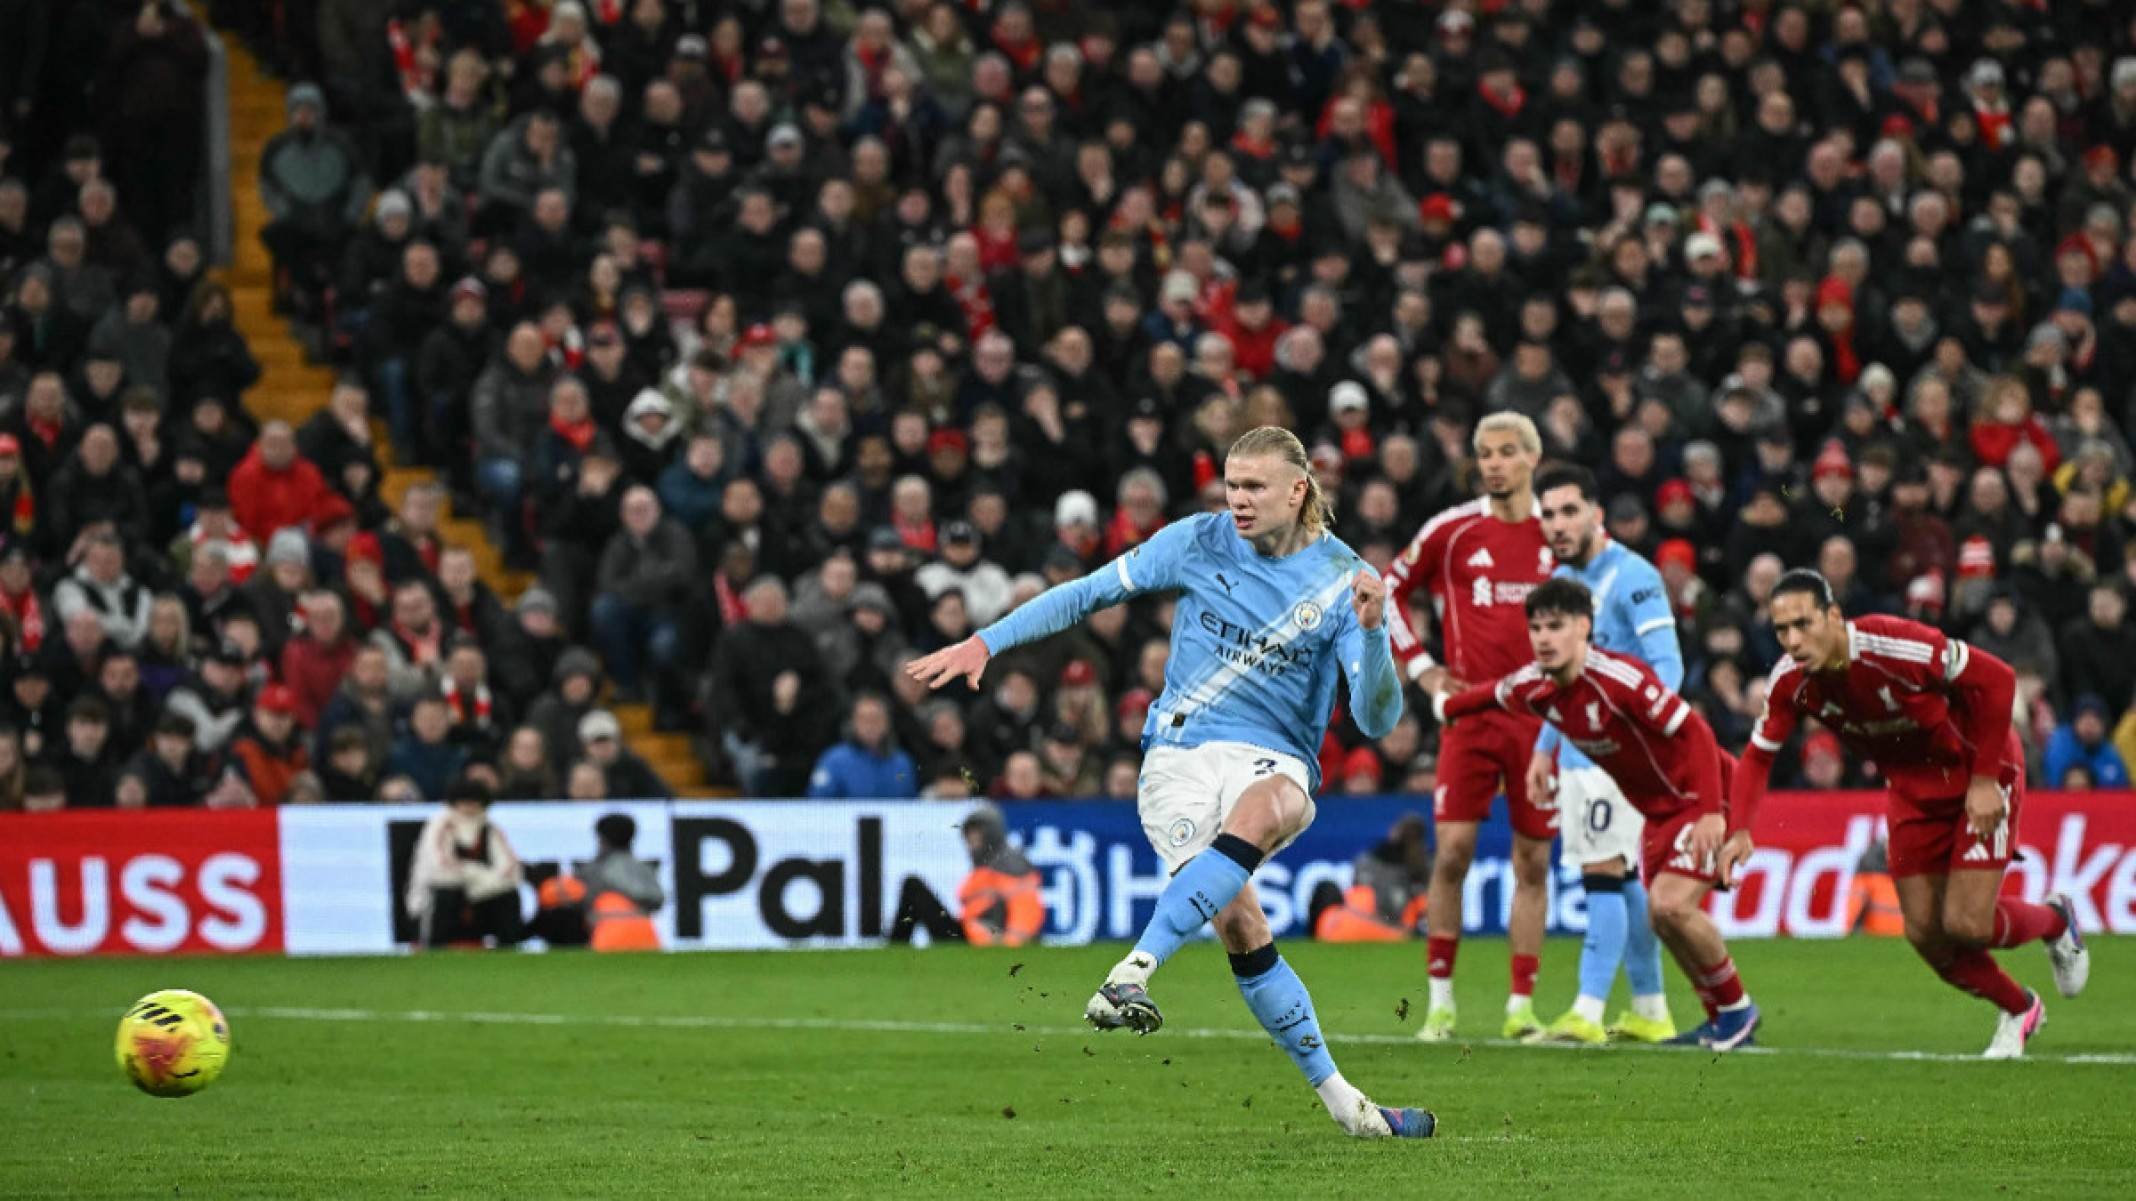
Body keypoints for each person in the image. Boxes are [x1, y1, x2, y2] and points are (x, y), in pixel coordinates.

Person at [907, 425, 1432, 1140]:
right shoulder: (1198, 539)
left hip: (1271, 760)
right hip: (1178, 758)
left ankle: (1132, 969)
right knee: (1242, 923)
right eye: (1232, 483)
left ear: (1298, 489)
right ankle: (1351, 1108)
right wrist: (985, 641)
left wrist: (1371, 633)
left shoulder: (1348, 581)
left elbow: (1376, 719)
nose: (1238, 499)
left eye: (1254, 487)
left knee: (1272, 802)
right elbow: (1086, 594)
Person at [1724, 569, 2091, 1058]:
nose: (1793, 640)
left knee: (1967, 924)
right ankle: (2019, 1006)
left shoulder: (1894, 646)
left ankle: (2055, 920)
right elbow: (1757, 757)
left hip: (1979, 772)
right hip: (1912, 792)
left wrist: (1984, 781)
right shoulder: (1790, 682)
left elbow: (1999, 680)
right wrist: (1739, 830)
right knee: (1925, 935)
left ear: (1834, 616)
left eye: (1803, 624)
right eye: (1781, 630)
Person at [1433, 579, 1761, 1051]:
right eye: (1537, 627)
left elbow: (1695, 734)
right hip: (1660, 811)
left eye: (1557, 626)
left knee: (1670, 905)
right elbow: (1490, 694)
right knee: (1662, 916)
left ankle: (1738, 1011)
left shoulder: (1620, 680)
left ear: (1584, 627)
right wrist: (1447, 706)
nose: (1544, 637)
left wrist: (1712, 813)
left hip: (1706, 793)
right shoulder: (1537, 685)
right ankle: (1721, 1018)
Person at [1383, 411, 1555, 1042]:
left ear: (1532, 459)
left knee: (1532, 861)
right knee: (1452, 852)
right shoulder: (1452, 531)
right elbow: (1388, 589)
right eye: (1485, 453)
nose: (1493, 463)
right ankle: (1441, 1005)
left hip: (1541, 723)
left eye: (1507, 452)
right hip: (1471, 718)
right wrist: (1425, 670)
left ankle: (1521, 1008)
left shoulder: (1559, 534)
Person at [1523, 465, 1679, 1045]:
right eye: (1548, 514)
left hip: (1615, 754)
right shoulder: (1562, 579)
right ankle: (1650, 1007)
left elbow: (1669, 667)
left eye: (1569, 511)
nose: (1558, 524)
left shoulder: (1632, 575)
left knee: (1601, 874)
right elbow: (1563, 681)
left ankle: (1587, 1010)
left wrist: (1629, 734)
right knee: (1622, 873)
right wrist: (1545, 748)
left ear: (1596, 514)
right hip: (1578, 752)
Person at [404, 777, 525, 948]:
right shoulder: (440, 825)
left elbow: (511, 868)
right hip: (438, 897)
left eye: (474, 803)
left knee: (509, 895)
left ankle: (508, 945)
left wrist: (483, 883)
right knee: (445, 893)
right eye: (464, 802)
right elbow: (440, 867)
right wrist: (479, 875)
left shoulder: (489, 828)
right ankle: (435, 946)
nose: (469, 808)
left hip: (480, 894)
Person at [806, 691, 919, 798]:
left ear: (887, 722)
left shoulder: (902, 762)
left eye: (876, 718)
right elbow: (817, 805)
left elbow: (910, 807)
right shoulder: (834, 760)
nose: (870, 725)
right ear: (852, 722)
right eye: (864, 719)